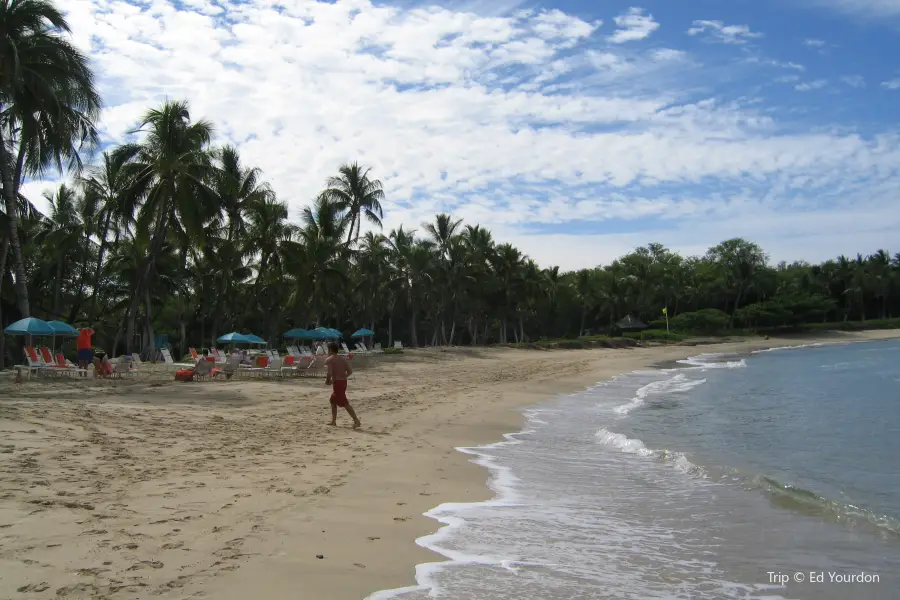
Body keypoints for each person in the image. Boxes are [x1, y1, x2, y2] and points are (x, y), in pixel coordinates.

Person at [325, 342, 361, 428]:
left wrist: (327, 381)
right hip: (343, 382)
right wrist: (342, 377)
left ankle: (356, 421)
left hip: (337, 384)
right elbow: (350, 372)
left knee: (344, 402)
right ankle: (333, 421)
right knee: (333, 400)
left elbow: (329, 373)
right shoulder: (342, 359)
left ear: (330, 350)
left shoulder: (329, 360)